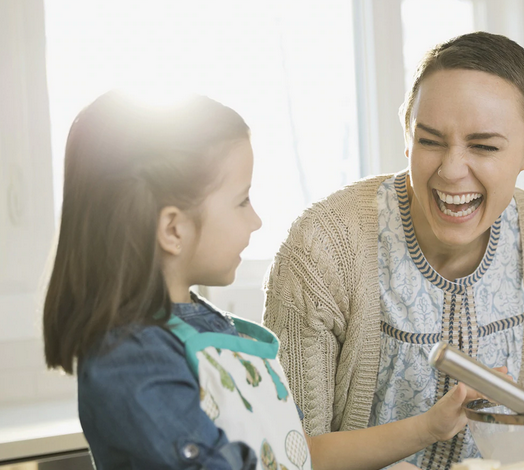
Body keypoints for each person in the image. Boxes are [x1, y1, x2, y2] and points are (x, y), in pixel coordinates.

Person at [263, 31, 524, 470]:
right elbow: (283, 455)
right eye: (430, 141)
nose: (450, 170)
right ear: (407, 136)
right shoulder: (324, 247)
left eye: (483, 146)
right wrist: (426, 428)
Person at [41, 91, 341, 470]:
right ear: (173, 228)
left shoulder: (204, 326)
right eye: (242, 201)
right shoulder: (131, 360)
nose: (256, 220)